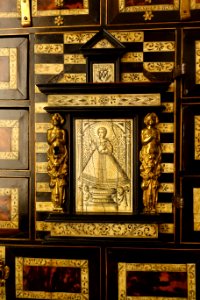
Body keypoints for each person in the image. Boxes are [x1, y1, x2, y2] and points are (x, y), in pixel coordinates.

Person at [140, 112, 162, 214]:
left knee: (154, 178)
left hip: (155, 151)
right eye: (149, 119)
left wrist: (155, 138)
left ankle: (152, 205)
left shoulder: (156, 131)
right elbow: (143, 141)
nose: (151, 121)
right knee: (147, 177)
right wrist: (151, 138)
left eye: (153, 119)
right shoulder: (144, 130)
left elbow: (158, 141)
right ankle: (147, 206)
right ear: (146, 120)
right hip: (146, 152)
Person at [47, 113, 68, 211]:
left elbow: (64, 141)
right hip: (53, 148)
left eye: (57, 121)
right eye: (54, 121)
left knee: (60, 162)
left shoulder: (62, 130)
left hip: (61, 148)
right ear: (52, 122)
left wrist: (58, 138)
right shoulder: (50, 131)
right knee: (54, 161)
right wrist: (53, 138)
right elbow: (49, 141)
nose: (55, 122)